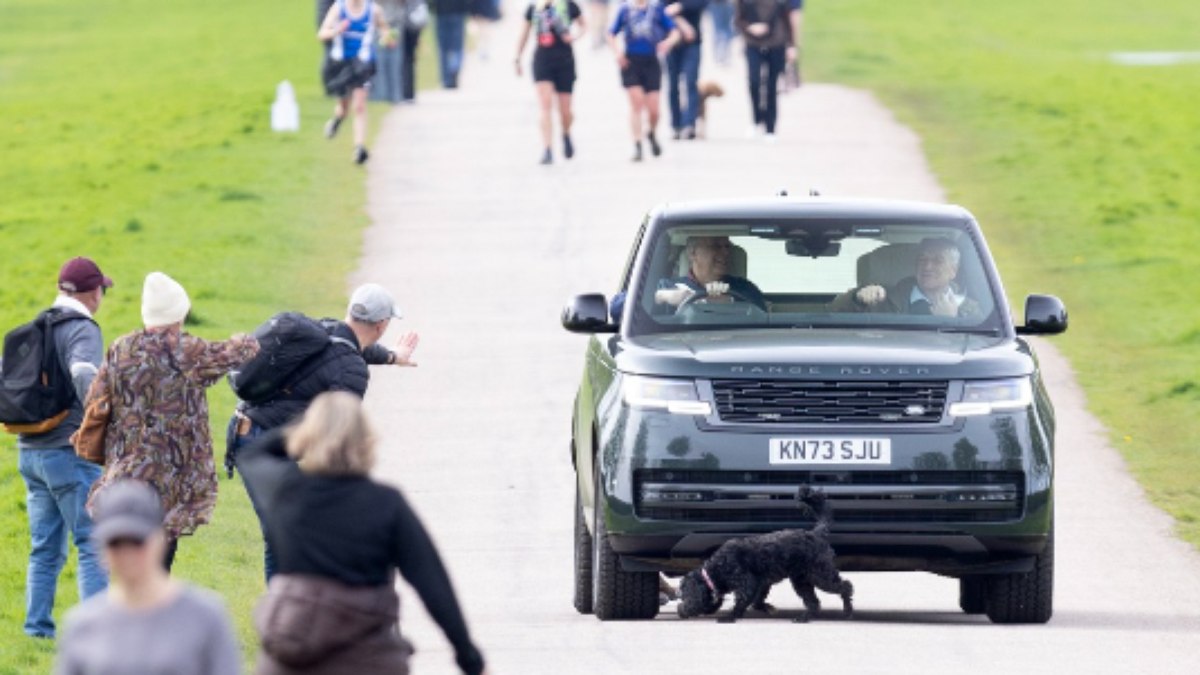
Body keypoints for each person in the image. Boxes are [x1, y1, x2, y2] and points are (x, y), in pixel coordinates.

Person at [237, 393, 486, 675]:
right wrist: (470, 659)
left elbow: (252, 453)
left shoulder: (286, 493)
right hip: (367, 656)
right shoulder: (387, 504)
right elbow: (432, 583)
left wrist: (312, 424)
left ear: (307, 437)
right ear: (367, 441)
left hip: (291, 647)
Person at [228, 283, 419, 582]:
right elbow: (337, 437)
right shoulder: (353, 370)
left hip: (248, 432)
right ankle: (284, 620)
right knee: (284, 534)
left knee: (286, 531)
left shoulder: (325, 329)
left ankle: (287, 612)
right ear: (381, 325)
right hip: (264, 442)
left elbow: (352, 351)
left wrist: (394, 356)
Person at [85, 272, 259, 572]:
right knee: (159, 559)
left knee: (132, 557)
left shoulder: (120, 348)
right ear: (178, 312)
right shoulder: (185, 350)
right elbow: (238, 352)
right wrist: (248, 338)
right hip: (171, 474)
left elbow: (94, 397)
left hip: (127, 469)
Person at [14, 257, 113, 638]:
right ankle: (97, 636)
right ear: (93, 292)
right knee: (92, 543)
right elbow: (84, 373)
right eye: (102, 289)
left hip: (30, 451)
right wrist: (103, 422)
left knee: (44, 548)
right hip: (68, 453)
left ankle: (36, 628)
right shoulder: (82, 329)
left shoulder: (36, 324)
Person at [54, 481, 241, 675]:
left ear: (159, 540)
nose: (127, 554)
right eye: (116, 543)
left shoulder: (205, 618)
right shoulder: (82, 625)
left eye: (137, 541)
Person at [610, 235, 766, 320]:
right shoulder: (666, 285)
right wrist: (662, 295)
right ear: (693, 254)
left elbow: (762, 313)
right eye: (715, 246)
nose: (725, 253)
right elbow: (617, 308)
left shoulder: (743, 288)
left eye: (727, 247)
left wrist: (728, 301)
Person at [318, 0, 398, 164]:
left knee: (360, 105)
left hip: (363, 63)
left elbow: (384, 30)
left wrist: (387, 39)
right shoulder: (339, 8)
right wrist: (336, 30)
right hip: (342, 64)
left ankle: (359, 148)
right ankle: (336, 121)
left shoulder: (373, 10)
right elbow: (321, 33)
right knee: (344, 108)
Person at [608, 0, 686, 162]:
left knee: (654, 109)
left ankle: (650, 132)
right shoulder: (625, 9)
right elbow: (611, 33)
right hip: (631, 61)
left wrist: (667, 43)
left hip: (651, 61)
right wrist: (617, 52)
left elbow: (674, 32)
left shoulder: (656, 9)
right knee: (636, 103)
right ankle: (637, 144)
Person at [831, 238, 983, 318]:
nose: (927, 266)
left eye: (938, 261)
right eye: (922, 260)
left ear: (953, 271)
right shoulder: (883, 299)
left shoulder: (970, 310)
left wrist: (951, 320)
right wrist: (857, 299)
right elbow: (833, 316)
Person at [516, 0, 586, 165]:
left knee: (565, 110)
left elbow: (584, 25)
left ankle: (566, 133)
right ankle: (547, 148)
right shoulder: (534, 8)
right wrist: (517, 57)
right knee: (545, 105)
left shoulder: (568, 5)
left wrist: (575, 36)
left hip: (565, 61)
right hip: (543, 60)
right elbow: (524, 33)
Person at [735, 0, 793, 140]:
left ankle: (770, 127)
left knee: (771, 85)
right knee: (754, 81)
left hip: (776, 43)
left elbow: (787, 19)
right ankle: (756, 118)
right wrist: (749, 27)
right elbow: (738, 19)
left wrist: (791, 45)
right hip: (753, 43)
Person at [663, 0, 708, 140]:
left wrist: (680, 6)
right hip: (672, 42)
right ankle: (676, 124)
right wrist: (681, 22)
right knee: (672, 84)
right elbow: (662, 9)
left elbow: (702, 3)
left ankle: (689, 124)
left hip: (692, 42)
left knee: (691, 82)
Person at [370, 0, 407, 103]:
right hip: (377, 29)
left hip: (395, 27)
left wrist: (393, 36)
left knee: (395, 65)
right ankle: (380, 97)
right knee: (379, 67)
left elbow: (402, 11)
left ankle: (395, 96)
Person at [434, 0, 472, 88]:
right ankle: (454, 67)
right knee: (457, 45)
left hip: (442, 11)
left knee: (443, 47)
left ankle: (446, 77)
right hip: (458, 11)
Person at [401, 0, 430, 101]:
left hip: (407, 21)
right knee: (409, 58)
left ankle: (407, 92)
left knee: (406, 58)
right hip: (413, 20)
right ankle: (408, 92)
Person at [707, 0, 735, 65]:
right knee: (720, 29)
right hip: (717, 4)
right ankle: (720, 55)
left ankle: (722, 55)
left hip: (725, 4)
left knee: (724, 28)